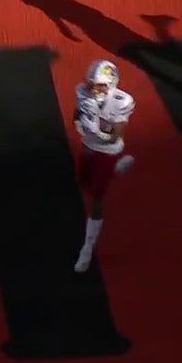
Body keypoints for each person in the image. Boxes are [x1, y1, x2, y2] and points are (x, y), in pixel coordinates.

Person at [72, 59, 135, 273]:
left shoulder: (121, 100)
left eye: (97, 84)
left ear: (111, 84)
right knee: (85, 185)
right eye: (91, 83)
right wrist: (80, 124)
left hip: (108, 150)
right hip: (88, 146)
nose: (92, 87)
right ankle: (117, 170)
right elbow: (77, 114)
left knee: (97, 197)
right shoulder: (83, 91)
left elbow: (114, 135)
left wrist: (97, 132)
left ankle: (87, 248)